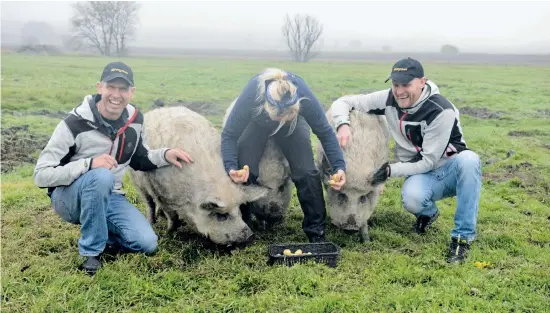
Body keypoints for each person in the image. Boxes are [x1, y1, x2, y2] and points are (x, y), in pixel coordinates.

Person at [34, 61, 194, 275]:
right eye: (111, 87)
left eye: (123, 89)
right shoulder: (73, 123)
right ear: (100, 87)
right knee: (100, 176)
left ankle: (106, 235)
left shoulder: (135, 119)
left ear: (132, 92)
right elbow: (41, 175)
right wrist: (89, 164)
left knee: (147, 244)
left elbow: (141, 159)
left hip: (111, 196)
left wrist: (165, 154)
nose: (116, 95)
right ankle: (91, 253)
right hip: (69, 198)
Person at [330, 58, 482, 263]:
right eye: (395, 84)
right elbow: (344, 101)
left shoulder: (441, 110)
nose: (400, 91)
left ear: (422, 82)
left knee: (470, 160)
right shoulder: (389, 99)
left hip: (450, 169)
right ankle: (427, 213)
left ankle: (461, 238)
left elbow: (428, 161)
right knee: (412, 199)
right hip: (420, 173)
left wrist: (389, 171)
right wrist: (342, 124)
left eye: (406, 85)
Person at [221, 68, 347, 243]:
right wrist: (231, 167)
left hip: (293, 128)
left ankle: (316, 232)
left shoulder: (303, 93)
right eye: (280, 116)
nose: (283, 120)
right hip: (258, 123)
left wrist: (339, 166)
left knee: (306, 172)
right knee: (246, 170)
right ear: (266, 105)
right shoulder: (253, 93)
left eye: (290, 114)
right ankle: (243, 224)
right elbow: (229, 134)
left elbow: (325, 132)